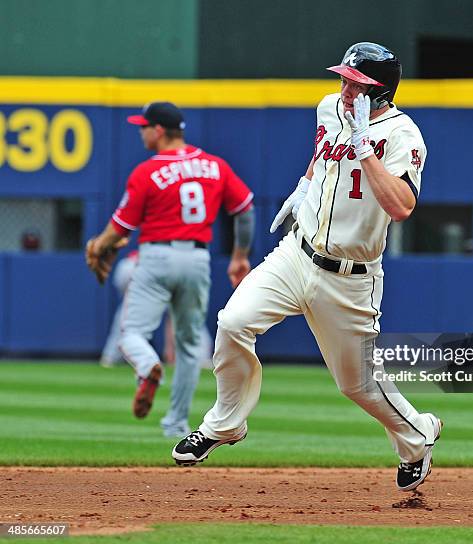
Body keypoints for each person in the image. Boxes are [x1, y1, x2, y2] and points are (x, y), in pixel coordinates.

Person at [172, 43, 442, 492]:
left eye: (355, 83)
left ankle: (417, 437)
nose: (344, 88)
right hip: (297, 253)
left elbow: (401, 206)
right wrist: (304, 185)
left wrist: (364, 150)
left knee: (357, 385)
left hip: (350, 276)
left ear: (380, 92)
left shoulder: (403, 136)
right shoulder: (329, 108)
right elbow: (321, 161)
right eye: (344, 79)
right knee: (233, 322)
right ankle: (224, 425)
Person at [86, 101, 254, 438]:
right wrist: (239, 255)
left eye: (144, 126)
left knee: (130, 334)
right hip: (197, 259)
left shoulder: (147, 171)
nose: (140, 131)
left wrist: (98, 246)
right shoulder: (214, 165)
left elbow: (120, 229)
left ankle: (148, 367)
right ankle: (176, 424)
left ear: (159, 130)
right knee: (190, 345)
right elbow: (245, 209)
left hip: (156, 257)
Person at [99, 250, 214, 369]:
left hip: (137, 264)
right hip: (172, 262)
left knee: (129, 313)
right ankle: (201, 357)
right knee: (186, 314)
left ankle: (112, 356)